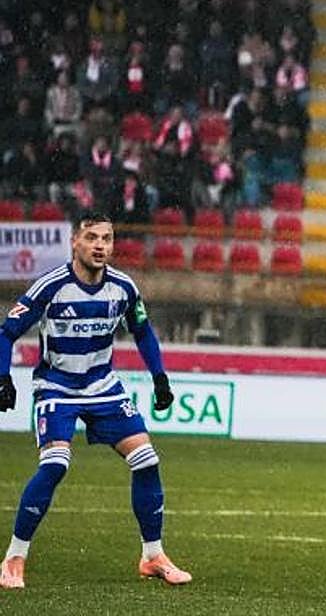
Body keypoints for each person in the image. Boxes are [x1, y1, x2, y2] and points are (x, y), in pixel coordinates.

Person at [0, 212, 191, 590]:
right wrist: (3, 377)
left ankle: (152, 555)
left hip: (104, 386)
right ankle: (14, 558)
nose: (100, 245)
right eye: (91, 237)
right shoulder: (49, 287)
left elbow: (143, 331)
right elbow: (6, 333)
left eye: (107, 238)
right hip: (56, 387)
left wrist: (160, 378)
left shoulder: (123, 287)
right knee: (56, 465)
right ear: (75, 242)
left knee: (147, 460)